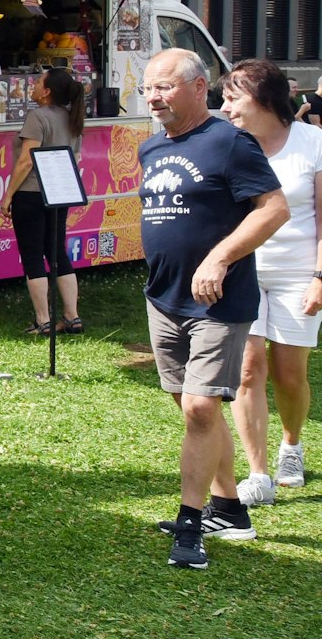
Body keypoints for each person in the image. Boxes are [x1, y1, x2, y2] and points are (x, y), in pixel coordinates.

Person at [137, 48, 288, 569]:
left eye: (164, 86)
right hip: (164, 296)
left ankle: (190, 524)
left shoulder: (230, 142)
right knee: (189, 406)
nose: (154, 97)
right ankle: (229, 508)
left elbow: (274, 209)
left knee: (202, 409)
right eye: (148, 88)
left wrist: (220, 258)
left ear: (200, 87)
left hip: (218, 300)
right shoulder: (152, 148)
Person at [219, 60, 322, 507]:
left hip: (299, 269)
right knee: (247, 368)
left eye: (232, 98)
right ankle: (258, 473)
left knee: (289, 373)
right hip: (244, 268)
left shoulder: (313, 143)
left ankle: (291, 445)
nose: (224, 109)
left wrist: (320, 275)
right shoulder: (229, 145)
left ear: (263, 100)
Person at [0, 67, 86, 335]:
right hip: (59, 193)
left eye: (38, 82)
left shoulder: (37, 116)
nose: (33, 85)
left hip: (31, 193)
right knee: (58, 252)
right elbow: (77, 158)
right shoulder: (72, 118)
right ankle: (72, 317)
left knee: (33, 255)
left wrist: (8, 194)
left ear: (47, 92)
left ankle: (43, 320)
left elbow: (26, 160)